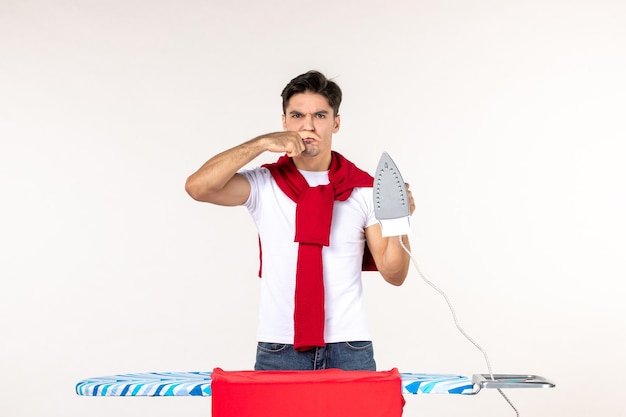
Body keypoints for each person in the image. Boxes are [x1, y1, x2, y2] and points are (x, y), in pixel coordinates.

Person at [185, 70, 415, 371]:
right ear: (284, 122)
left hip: (349, 346)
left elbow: (394, 274)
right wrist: (261, 143)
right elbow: (198, 187)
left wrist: (398, 219)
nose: (308, 126)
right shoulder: (264, 184)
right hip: (279, 347)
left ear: (336, 122)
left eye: (320, 115)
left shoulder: (364, 189)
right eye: (297, 115)